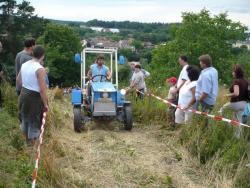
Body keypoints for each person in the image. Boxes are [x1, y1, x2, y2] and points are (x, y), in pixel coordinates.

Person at [16, 45, 48, 145]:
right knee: (34, 121)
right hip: (34, 98)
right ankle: (32, 147)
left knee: (25, 118)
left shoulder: (25, 64)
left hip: (23, 94)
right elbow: (42, 90)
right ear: (42, 56)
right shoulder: (40, 69)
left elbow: (18, 80)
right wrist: (46, 104)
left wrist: (25, 88)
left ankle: (27, 143)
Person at [218, 65, 248, 138]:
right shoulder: (246, 81)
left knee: (222, 109)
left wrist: (227, 95)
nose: (232, 73)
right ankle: (238, 137)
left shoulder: (236, 81)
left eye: (233, 72)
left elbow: (236, 93)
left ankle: (226, 123)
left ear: (236, 73)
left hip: (236, 103)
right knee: (239, 121)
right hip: (245, 104)